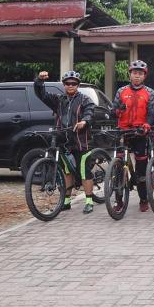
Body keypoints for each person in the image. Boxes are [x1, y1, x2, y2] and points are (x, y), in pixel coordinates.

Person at [34, 70, 96, 214]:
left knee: (84, 171)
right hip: (64, 141)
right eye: (67, 83)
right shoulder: (59, 100)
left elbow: (90, 112)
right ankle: (66, 201)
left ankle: (89, 201)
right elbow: (41, 95)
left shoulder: (85, 100)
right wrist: (39, 81)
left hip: (81, 141)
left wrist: (84, 121)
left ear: (78, 85)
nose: (70, 86)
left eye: (74, 83)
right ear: (64, 85)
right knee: (67, 171)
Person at [112, 60, 154, 213]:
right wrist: (118, 110)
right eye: (134, 73)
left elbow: (152, 112)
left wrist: (146, 125)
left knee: (141, 169)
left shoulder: (150, 92)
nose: (137, 76)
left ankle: (143, 199)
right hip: (123, 131)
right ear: (130, 74)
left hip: (140, 132)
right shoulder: (121, 91)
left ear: (144, 76)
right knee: (118, 166)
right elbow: (114, 111)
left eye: (140, 74)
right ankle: (119, 200)